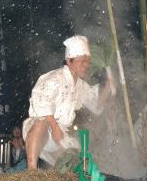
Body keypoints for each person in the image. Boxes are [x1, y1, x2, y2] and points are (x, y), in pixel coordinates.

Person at [23, 35, 112, 170]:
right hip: (42, 128)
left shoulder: (81, 86)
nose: (86, 65)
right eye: (82, 61)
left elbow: (96, 104)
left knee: (78, 163)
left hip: (60, 134)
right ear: (69, 61)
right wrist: (54, 127)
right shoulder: (55, 78)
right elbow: (41, 101)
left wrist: (107, 88)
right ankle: (31, 170)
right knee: (40, 123)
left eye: (88, 62)